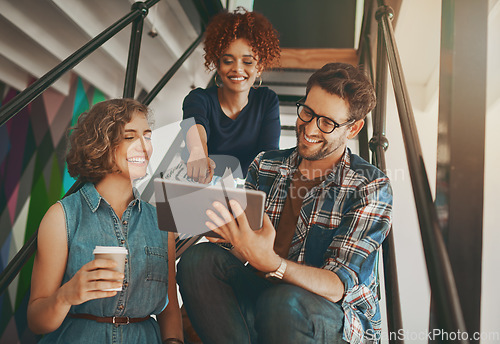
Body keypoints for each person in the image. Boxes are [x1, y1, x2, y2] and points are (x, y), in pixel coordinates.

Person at [177, 63, 393, 344]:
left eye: (327, 122)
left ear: (353, 129)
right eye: (307, 111)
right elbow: (246, 251)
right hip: (266, 294)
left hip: (334, 315)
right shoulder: (266, 164)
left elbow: (339, 285)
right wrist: (229, 236)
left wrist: (273, 264)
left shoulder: (369, 185)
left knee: (283, 301)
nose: (310, 128)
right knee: (197, 260)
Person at [27, 99, 183, 344]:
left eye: (147, 136)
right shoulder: (62, 217)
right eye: (130, 137)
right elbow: (36, 321)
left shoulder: (162, 221)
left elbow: (169, 308)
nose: (144, 147)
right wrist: (66, 296)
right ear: (101, 145)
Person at [180, 7, 281, 183]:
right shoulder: (199, 99)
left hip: (247, 191)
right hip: (201, 187)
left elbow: (269, 155)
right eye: (228, 61)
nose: (238, 69)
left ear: (260, 68)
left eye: (247, 61)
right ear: (218, 66)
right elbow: (194, 123)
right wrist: (197, 151)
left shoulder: (267, 101)